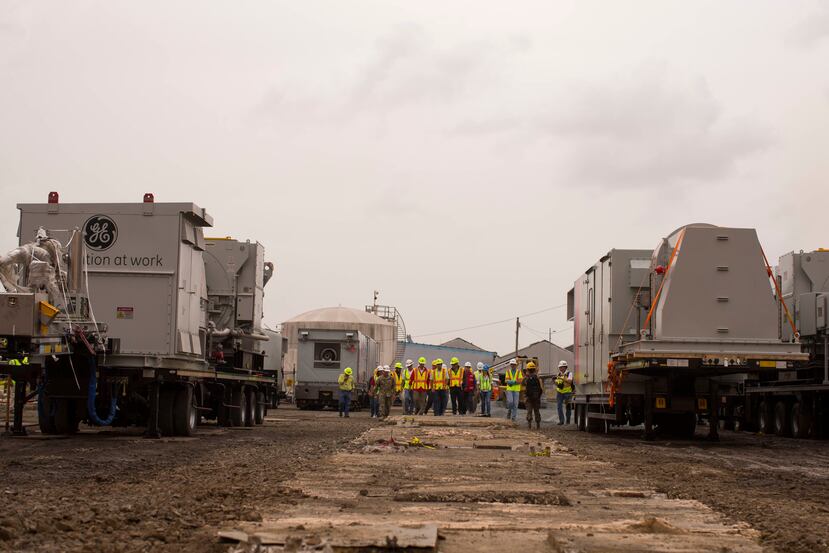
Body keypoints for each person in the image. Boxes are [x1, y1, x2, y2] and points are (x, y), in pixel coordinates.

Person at [524, 362, 543, 429]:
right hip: (536, 397)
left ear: (528, 370)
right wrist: (538, 396)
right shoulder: (538, 378)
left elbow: (526, 388)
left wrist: (526, 395)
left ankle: (529, 425)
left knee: (529, 411)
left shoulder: (527, 379)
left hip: (529, 398)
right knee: (536, 411)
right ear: (534, 369)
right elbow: (540, 389)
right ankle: (538, 424)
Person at [555, 360, 574, 425]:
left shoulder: (569, 373)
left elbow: (570, 381)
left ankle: (568, 421)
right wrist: (556, 382)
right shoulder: (558, 374)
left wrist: (562, 378)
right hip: (559, 392)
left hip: (568, 392)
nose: (560, 368)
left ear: (565, 367)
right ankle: (561, 421)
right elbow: (557, 383)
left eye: (561, 367)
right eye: (559, 367)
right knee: (559, 407)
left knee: (568, 407)